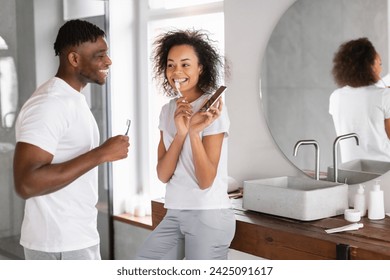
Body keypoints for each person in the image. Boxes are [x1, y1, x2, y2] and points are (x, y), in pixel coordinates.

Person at [13, 19, 130, 260]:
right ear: (74, 59)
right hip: (57, 243)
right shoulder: (50, 104)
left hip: (73, 238)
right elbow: (26, 183)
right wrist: (101, 154)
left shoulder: (72, 99)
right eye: (100, 55)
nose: (108, 61)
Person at [137, 29, 235, 260]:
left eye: (185, 64)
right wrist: (180, 133)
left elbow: (206, 180)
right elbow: (163, 174)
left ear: (201, 68)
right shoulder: (167, 110)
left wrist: (193, 132)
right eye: (170, 65)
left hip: (208, 214)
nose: (176, 72)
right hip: (174, 212)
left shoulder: (213, 111)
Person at [329, 37, 390, 162]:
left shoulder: (336, 96)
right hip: (384, 170)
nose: (381, 67)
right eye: (379, 62)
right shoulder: (384, 96)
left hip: (351, 168)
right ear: (370, 65)